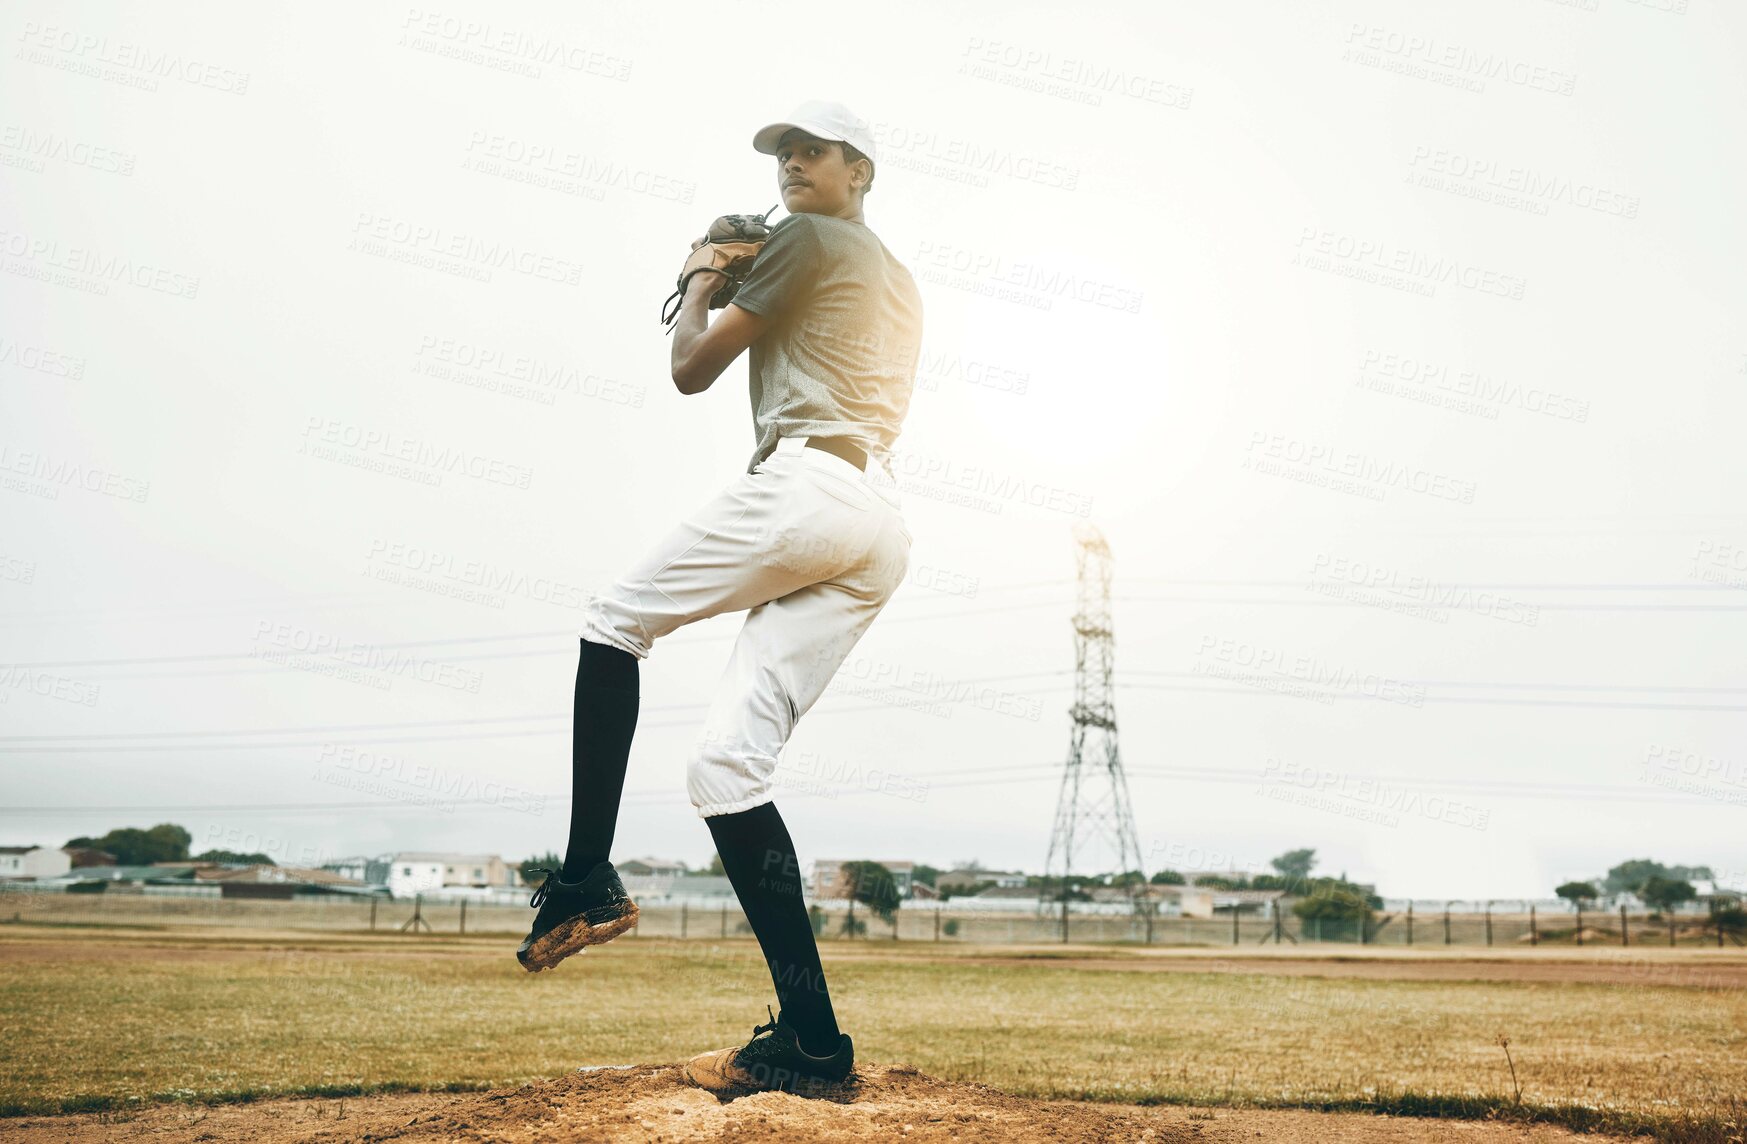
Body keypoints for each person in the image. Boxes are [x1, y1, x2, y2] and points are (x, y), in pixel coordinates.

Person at [514, 99, 923, 1099]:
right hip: (877, 517)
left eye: (813, 151)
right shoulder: (893, 272)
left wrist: (702, 280)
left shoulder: (810, 236)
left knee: (614, 619)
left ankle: (583, 877)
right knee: (728, 767)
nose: (790, 164)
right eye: (782, 152)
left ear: (859, 170)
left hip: (809, 488)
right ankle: (813, 1043)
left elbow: (692, 367)